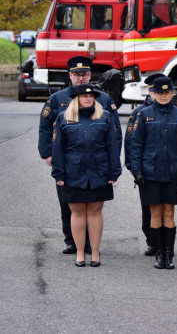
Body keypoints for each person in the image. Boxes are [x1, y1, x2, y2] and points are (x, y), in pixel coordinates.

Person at [38, 56, 122, 255]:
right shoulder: (57, 99)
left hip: (96, 161)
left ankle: (91, 244)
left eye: (84, 74)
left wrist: (113, 160)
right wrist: (48, 154)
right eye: (77, 75)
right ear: (70, 76)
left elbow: (115, 133)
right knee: (68, 202)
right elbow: (45, 128)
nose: (81, 78)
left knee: (94, 205)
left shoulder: (103, 98)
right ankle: (72, 241)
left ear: (90, 75)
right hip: (69, 162)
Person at [51, 84, 121, 267]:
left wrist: (115, 170)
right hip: (73, 172)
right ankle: (80, 253)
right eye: (84, 96)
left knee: (95, 211)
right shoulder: (64, 117)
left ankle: (95, 252)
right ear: (77, 98)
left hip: (99, 171)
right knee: (77, 212)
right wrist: (58, 173)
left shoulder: (105, 117)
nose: (88, 99)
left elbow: (112, 146)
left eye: (91, 97)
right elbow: (58, 148)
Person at [131, 77, 177, 269]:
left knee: (169, 212)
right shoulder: (144, 115)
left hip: (173, 172)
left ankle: (169, 254)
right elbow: (136, 146)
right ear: (153, 93)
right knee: (155, 213)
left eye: (167, 92)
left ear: (172, 93)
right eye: (160, 93)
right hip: (151, 173)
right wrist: (137, 172)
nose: (163, 96)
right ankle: (159, 254)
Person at [124, 73, 163, 256]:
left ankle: (165, 241)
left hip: (167, 169)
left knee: (166, 207)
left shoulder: (174, 111)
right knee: (148, 207)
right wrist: (132, 165)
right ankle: (152, 241)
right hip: (146, 169)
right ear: (149, 91)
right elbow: (130, 141)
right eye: (155, 89)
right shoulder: (138, 113)